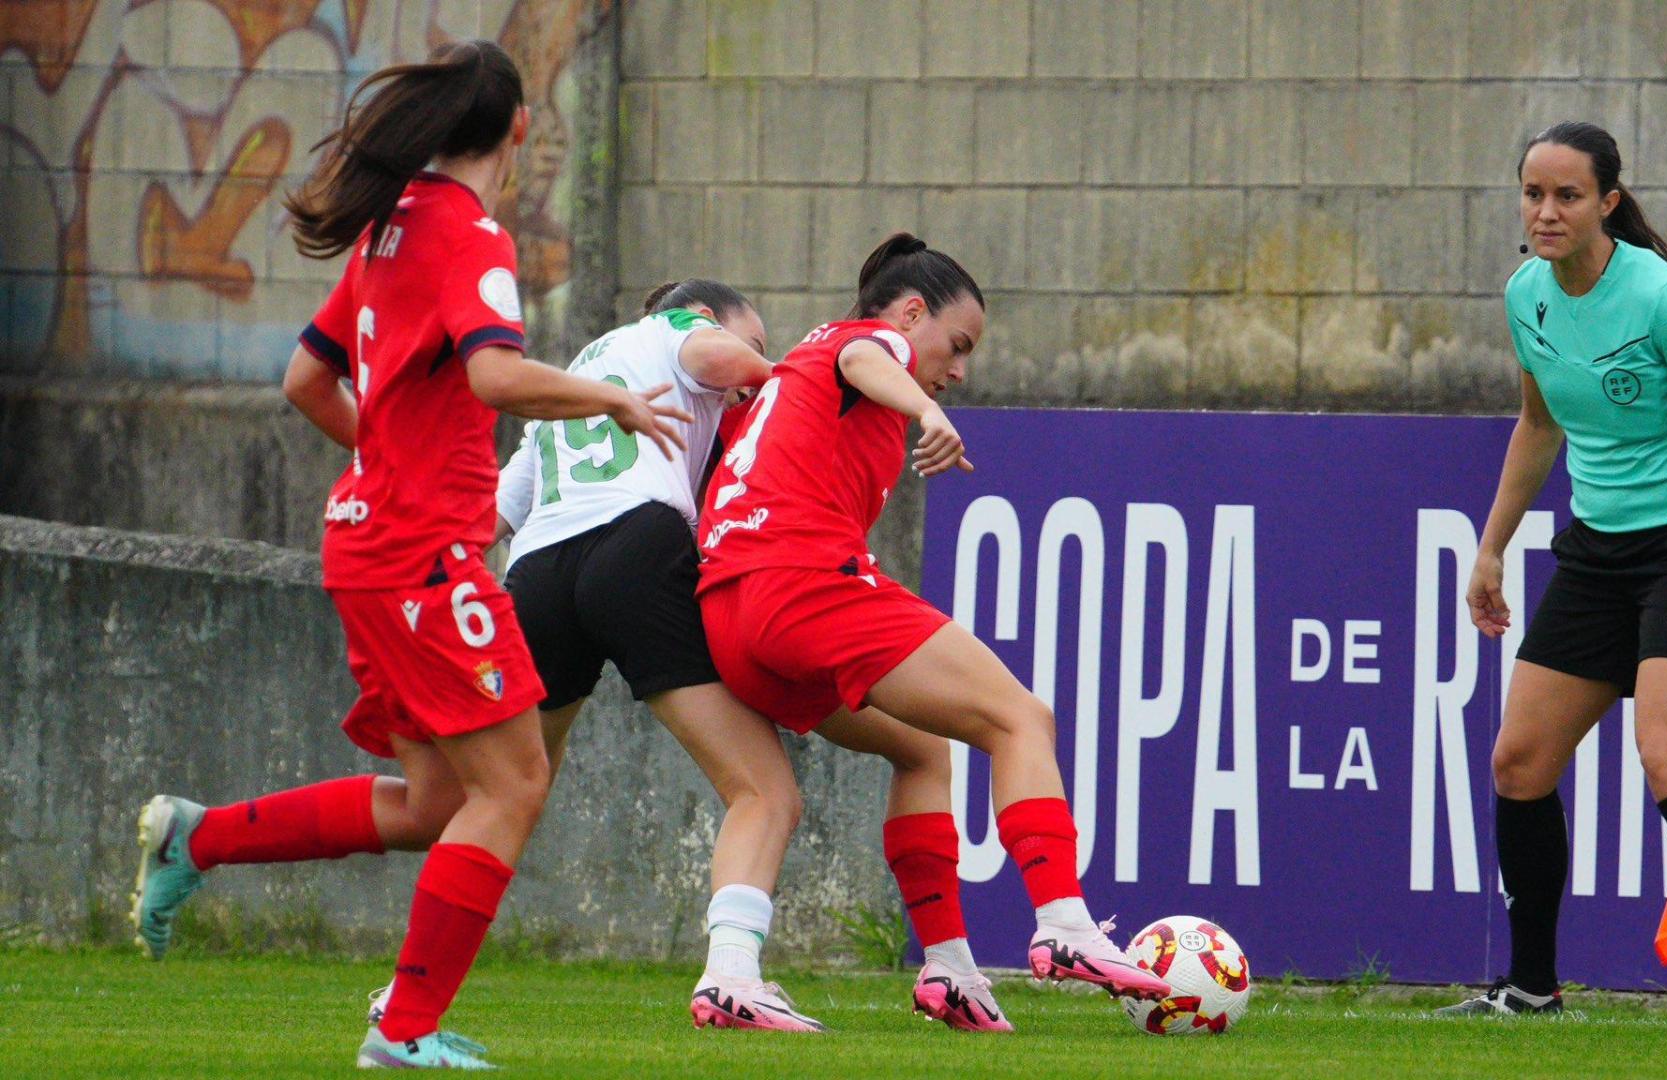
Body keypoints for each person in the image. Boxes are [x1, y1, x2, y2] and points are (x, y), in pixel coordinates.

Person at [129, 40, 692, 1069]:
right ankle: (404, 1029)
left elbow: (306, 379)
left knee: (438, 803)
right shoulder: (472, 237)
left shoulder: (387, 233)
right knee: (516, 785)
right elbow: (495, 378)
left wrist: (388, 459)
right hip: (420, 559)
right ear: (518, 129)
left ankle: (194, 838)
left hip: (366, 546)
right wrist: (606, 394)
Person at [480, 277, 1012, 1033]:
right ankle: (732, 975)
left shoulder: (579, 379)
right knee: (764, 792)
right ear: (703, 317)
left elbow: (492, 516)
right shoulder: (682, 333)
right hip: (635, 552)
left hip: (535, 575)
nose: (750, 364)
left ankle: (413, 984)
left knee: (509, 794)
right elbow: (759, 371)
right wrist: (781, 379)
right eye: (750, 340)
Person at [696, 233, 1175, 1006]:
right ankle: (1065, 924)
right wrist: (923, 407)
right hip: (800, 584)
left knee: (923, 751)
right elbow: (867, 357)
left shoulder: (799, 373)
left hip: (729, 615)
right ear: (913, 312)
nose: (958, 371)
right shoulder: (862, 343)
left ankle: (946, 967)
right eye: (956, 346)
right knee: (1021, 717)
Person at [1438, 121, 1667, 1022]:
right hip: (1596, 550)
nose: (1546, 211)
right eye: (1532, 194)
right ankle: (1531, 986)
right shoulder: (1527, 295)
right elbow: (1538, 425)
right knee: (1518, 764)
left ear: (1609, 202)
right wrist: (1491, 547)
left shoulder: (1661, 299)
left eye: (1565, 195)